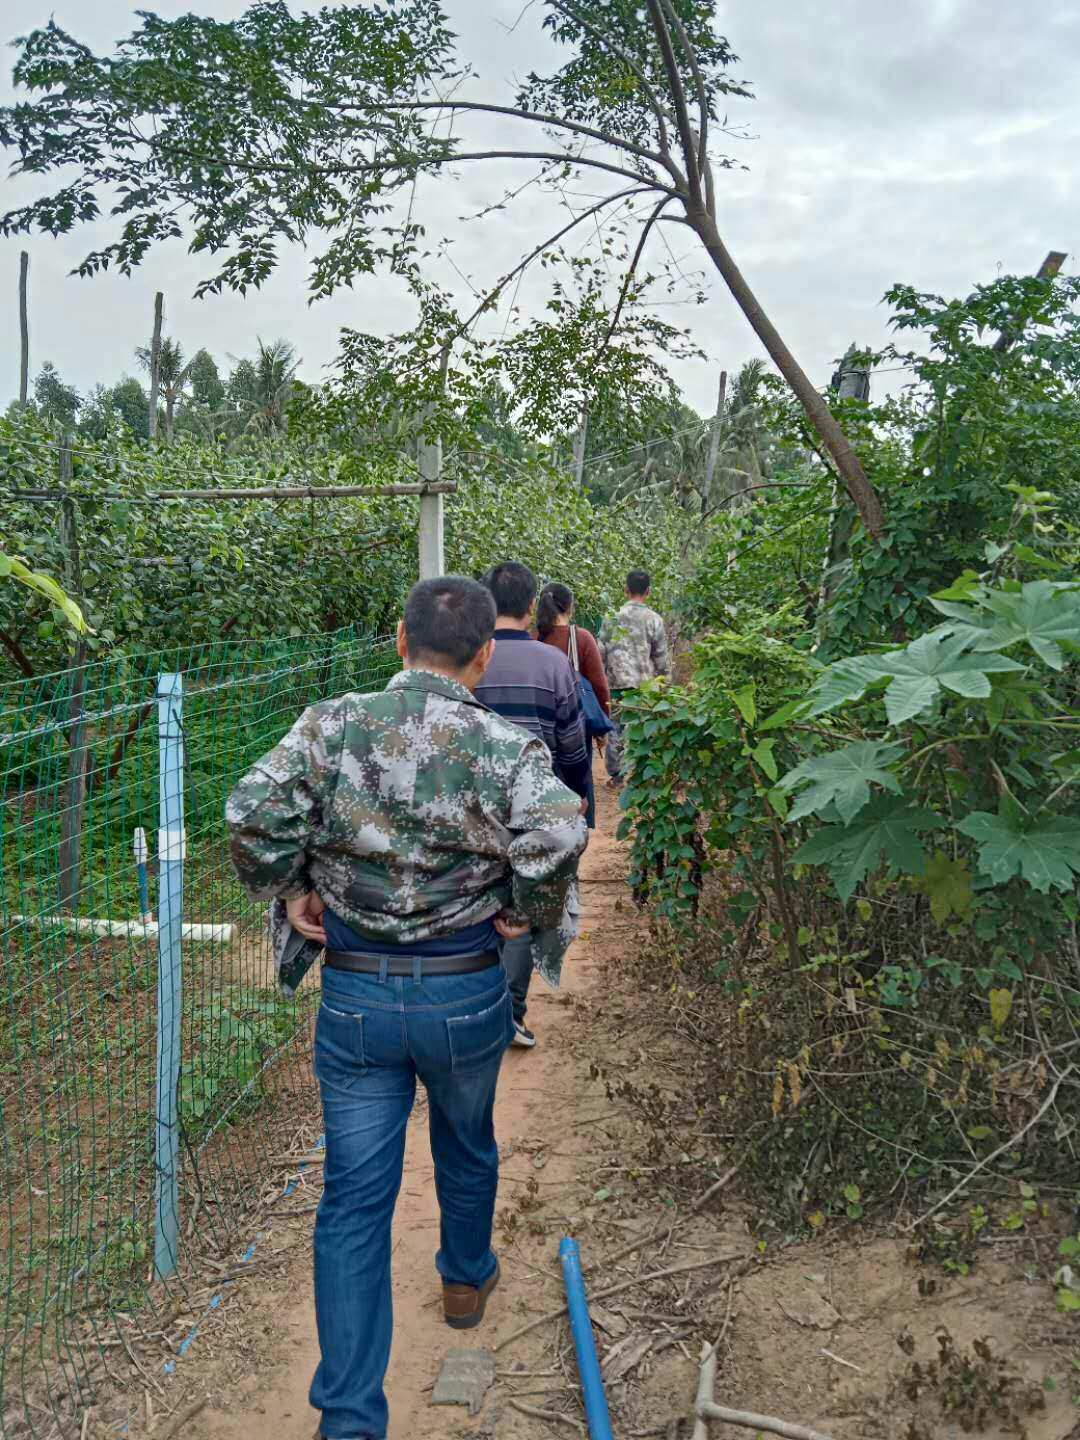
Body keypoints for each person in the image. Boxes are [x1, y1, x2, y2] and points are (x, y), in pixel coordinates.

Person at [226, 576, 587, 1440]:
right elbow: (561, 833)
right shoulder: (503, 746)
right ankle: (465, 1278)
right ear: (484, 655)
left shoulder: (330, 724)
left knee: (352, 1199)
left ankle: (350, 1418)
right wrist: (523, 909)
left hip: (355, 993)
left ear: (399, 640)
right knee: (465, 1138)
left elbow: (249, 814)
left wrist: (292, 888)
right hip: (465, 987)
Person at [474, 561, 589, 1049]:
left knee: (481, 896)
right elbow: (572, 747)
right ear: (529, 606)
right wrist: (576, 801)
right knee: (523, 901)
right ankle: (510, 1012)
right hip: (535, 804)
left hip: (472, 803)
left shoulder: (469, 659)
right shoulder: (553, 663)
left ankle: (476, 1004)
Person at [536, 581, 610, 829]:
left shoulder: (533, 637)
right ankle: (575, 829)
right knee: (577, 777)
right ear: (569, 607)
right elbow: (600, 687)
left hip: (539, 724)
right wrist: (601, 728)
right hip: (575, 726)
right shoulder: (581, 638)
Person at [598, 568, 670, 784]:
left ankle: (616, 776)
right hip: (645, 687)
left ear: (625, 590)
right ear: (648, 591)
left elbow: (601, 653)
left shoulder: (611, 618)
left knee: (615, 730)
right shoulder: (654, 619)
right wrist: (665, 683)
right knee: (644, 730)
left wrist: (600, 681)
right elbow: (661, 657)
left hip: (616, 684)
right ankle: (643, 776)